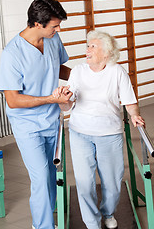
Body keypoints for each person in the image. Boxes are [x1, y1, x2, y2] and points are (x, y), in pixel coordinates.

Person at [53, 30, 145, 229]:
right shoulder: (78, 71)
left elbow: (130, 102)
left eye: (92, 46)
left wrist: (134, 115)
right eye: (87, 46)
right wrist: (62, 100)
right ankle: (92, 223)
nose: (87, 49)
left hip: (109, 134)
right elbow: (68, 106)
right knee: (84, 183)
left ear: (107, 52)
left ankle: (108, 212)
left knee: (112, 184)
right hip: (80, 133)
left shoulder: (117, 72)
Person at [0, 0, 72, 229]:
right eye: (54, 25)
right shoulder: (12, 53)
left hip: (52, 120)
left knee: (51, 176)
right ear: (37, 24)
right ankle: (42, 226)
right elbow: (13, 100)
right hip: (27, 126)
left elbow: (57, 66)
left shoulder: (52, 38)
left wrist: (89, 76)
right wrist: (51, 98)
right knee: (40, 178)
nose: (58, 29)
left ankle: (48, 213)